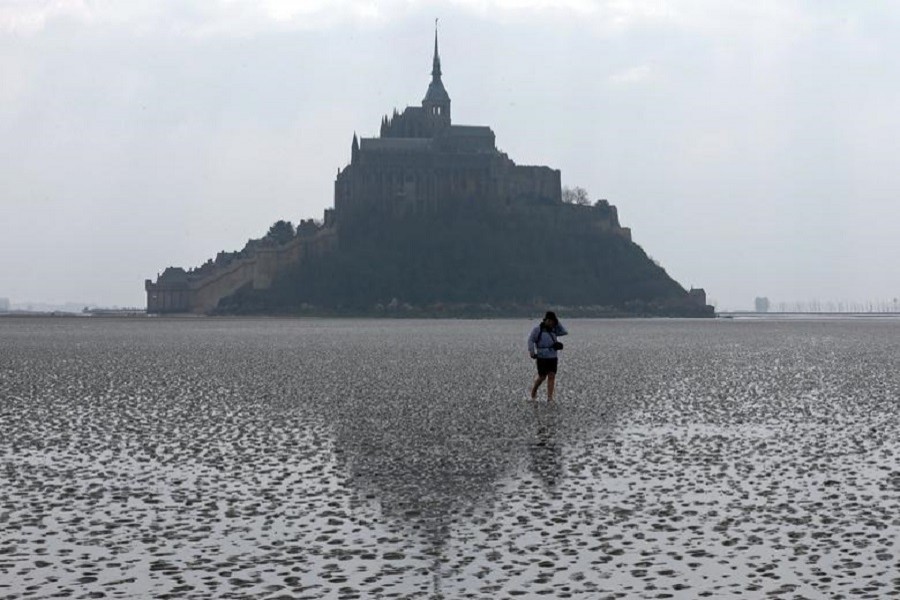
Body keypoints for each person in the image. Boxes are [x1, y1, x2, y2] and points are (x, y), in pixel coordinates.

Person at [527, 311, 568, 401]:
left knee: (552, 375)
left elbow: (564, 332)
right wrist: (532, 351)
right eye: (549, 321)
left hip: (553, 356)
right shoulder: (538, 329)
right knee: (542, 377)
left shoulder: (554, 329)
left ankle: (550, 397)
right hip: (542, 357)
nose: (551, 323)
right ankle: (534, 390)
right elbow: (531, 340)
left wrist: (557, 322)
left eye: (553, 322)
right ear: (546, 320)